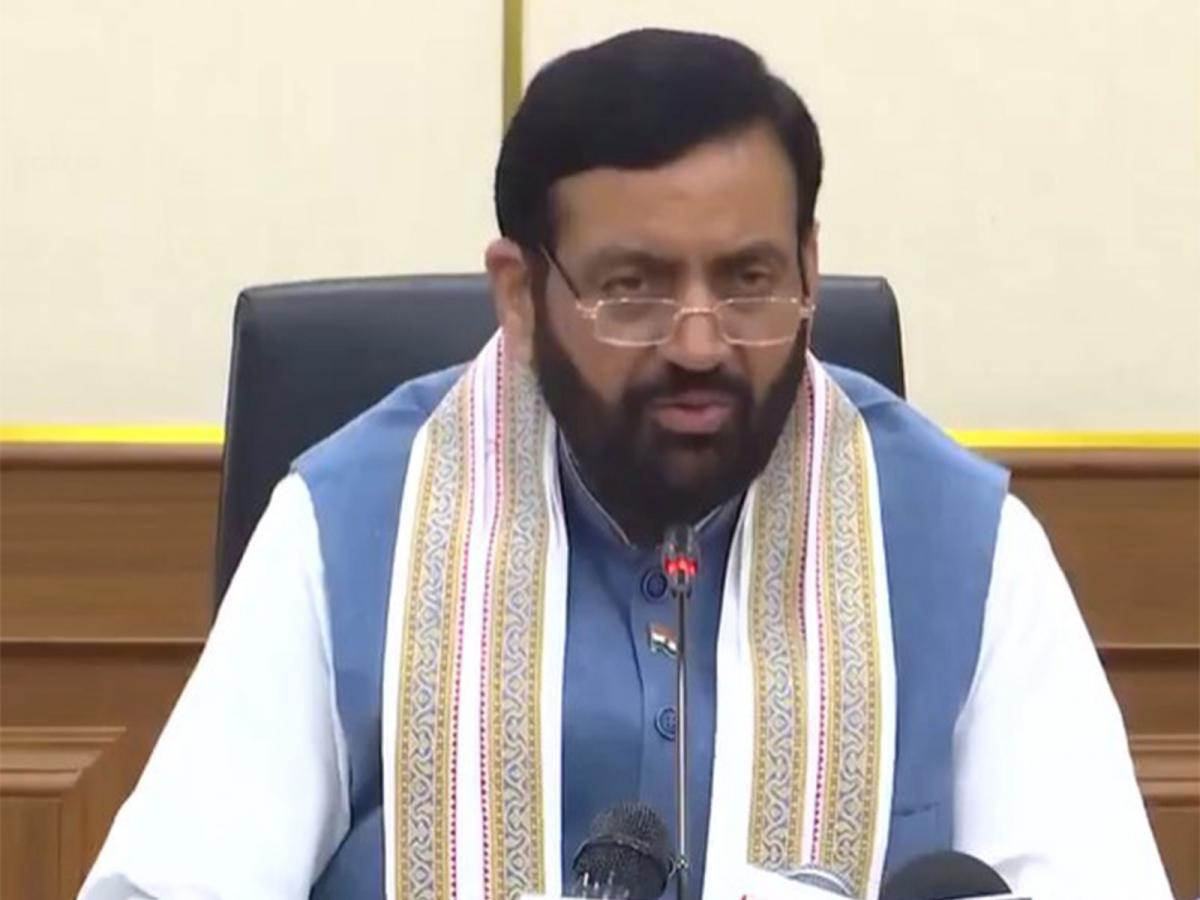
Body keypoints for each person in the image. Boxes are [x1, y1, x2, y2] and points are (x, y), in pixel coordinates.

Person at [80, 28, 1170, 900]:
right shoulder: (348, 526)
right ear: (520, 295)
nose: (699, 343)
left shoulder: (961, 545)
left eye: (748, 280)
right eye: (632, 289)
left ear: (808, 268)